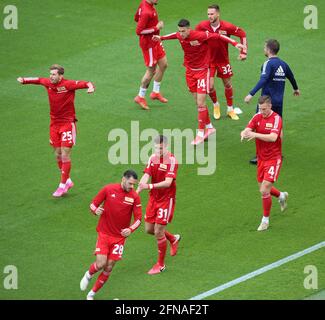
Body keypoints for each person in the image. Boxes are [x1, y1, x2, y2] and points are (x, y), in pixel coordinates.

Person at [153, 19, 245, 145]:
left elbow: (218, 36)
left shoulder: (200, 35)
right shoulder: (179, 35)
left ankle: (200, 134)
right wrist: (161, 37)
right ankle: (210, 127)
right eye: (180, 31)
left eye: (183, 31)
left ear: (189, 29)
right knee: (198, 102)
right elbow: (174, 35)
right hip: (190, 72)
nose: (181, 33)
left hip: (203, 71)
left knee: (201, 103)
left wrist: (235, 43)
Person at [17, 64, 95, 197]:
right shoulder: (48, 83)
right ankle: (68, 181)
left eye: (54, 74)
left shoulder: (68, 85)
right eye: (50, 74)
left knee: (65, 154)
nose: (51, 77)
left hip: (67, 124)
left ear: (60, 76)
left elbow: (86, 83)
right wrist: (24, 80)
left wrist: (91, 87)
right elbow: (38, 80)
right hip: (54, 124)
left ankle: (62, 185)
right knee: (58, 154)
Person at [80, 170, 142, 300]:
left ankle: (91, 294)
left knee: (109, 266)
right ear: (123, 179)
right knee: (101, 263)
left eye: (134, 185)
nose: (132, 187)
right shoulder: (108, 189)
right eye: (130, 183)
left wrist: (130, 229)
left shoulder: (134, 197)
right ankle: (89, 274)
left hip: (119, 238)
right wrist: (95, 210)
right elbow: (93, 204)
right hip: (104, 233)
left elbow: (138, 219)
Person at [244, 39, 300, 164]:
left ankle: (260, 156)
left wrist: (251, 94)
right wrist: (296, 88)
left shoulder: (268, 64)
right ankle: (278, 154)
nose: (263, 49)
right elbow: (291, 77)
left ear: (269, 49)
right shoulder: (283, 64)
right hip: (278, 101)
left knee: (260, 126)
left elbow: (263, 80)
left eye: (265, 47)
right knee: (278, 127)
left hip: (266, 103)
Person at [240, 96, 289, 231]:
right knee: (263, 188)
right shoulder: (257, 116)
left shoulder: (276, 119)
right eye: (260, 109)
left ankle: (265, 220)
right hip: (261, 159)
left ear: (270, 106)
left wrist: (255, 135)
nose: (262, 111)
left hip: (274, 158)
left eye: (264, 109)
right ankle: (281, 195)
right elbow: (248, 128)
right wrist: (244, 133)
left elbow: (273, 138)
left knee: (263, 190)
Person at [137, 135, 180, 275]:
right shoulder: (152, 158)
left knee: (158, 231)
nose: (158, 150)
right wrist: (138, 189)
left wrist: (148, 186)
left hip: (166, 200)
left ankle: (160, 265)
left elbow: (168, 182)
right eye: (156, 147)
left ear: (166, 147)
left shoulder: (172, 160)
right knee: (149, 229)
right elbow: (146, 174)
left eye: (160, 148)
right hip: (153, 199)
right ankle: (173, 239)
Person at [196, 4, 247, 120]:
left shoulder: (227, 26)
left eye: (212, 14)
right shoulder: (202, 26)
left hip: (223, 60)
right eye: (208, 14)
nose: (209, 16)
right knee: (210, 86)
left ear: (218, 14)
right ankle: (216, 105)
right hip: (209, 61)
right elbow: (194, 36)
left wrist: (244, 52)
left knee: (227, 84)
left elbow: (242, 34)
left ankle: (230, 109)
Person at [134, 0, 168, 110]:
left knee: (163, 64)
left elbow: (136, 18)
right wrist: (156, 28)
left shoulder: (145, 3)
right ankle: (140, 96)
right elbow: (138, 31)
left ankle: (155, 92)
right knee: (151, 70)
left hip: (155, 40)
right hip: (149, 44)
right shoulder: (146, 12)